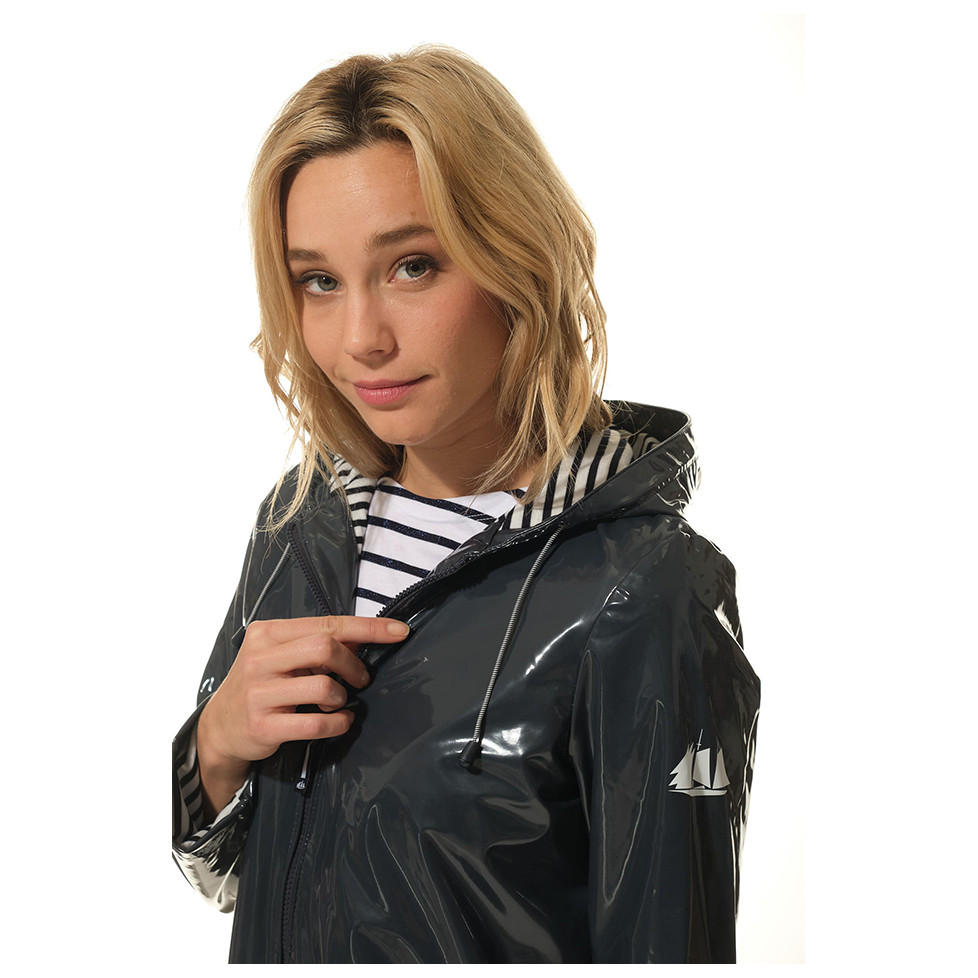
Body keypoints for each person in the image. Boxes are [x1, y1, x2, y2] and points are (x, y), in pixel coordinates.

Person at [171, 45, 760, 964]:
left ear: (515, 257)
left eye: (412, 266)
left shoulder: (647, 589)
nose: (361, 338)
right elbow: (225, 874)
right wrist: (213, 745)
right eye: (319, 281)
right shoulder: (301, 523)